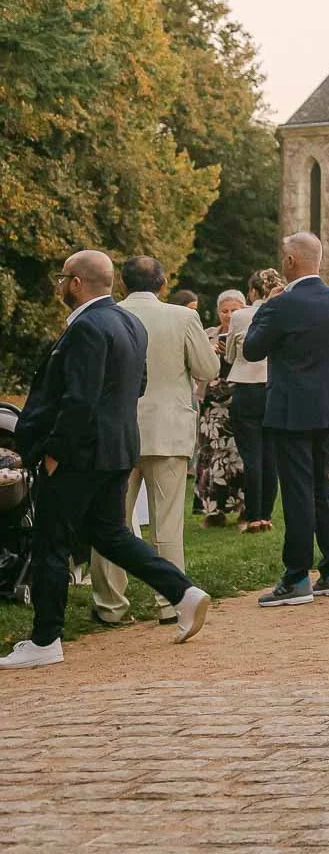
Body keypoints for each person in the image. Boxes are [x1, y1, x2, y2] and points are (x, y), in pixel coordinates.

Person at [2, 250, 212, 669]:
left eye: (62, 278)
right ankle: (183, 592)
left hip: (78, 453)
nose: (59, 285)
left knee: (50, 541)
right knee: (109, 534)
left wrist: (56, 452)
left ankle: (45, 639)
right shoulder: (127, 322)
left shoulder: (88, 327)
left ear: (77, 283)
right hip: (116, 446)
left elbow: (78, 399)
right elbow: (138, 385)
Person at [91, 256, 219, 627]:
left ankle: (110, 604)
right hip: (167, 429)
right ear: (163, 284)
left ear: (122, 285)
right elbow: (207, 369)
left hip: (116, 431)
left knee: (111, 521)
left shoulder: (107, 316)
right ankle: (170, 602)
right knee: (167, 524)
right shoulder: (182, 318)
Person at [241, 234, 329, 606]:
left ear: (292, 261)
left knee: (297, 490)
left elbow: (251, 349)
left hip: (290, 408)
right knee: (320, 486)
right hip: (328, 407)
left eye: (283, 256)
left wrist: (266, 306)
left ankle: (296, 576)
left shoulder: (282, 305)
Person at [225, 269, 282, 533]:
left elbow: (230, 356)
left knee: (251, 456)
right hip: (274, 388)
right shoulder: (283, 314)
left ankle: (253, 514)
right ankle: (266, 514)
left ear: (252, 291)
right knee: (270, 455)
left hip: (247, 389)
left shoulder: (240, 316)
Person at [192, 289, 249, 527]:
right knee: (211, 456)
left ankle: (244, 506)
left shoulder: (248, 334)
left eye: (234, 310)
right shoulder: (208, 335)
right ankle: (213, 510)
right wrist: (210, 348)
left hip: (237, 401)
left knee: (238, 456)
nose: (228, 315)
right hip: (212, 406)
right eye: (224, 311)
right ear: (218, 312)